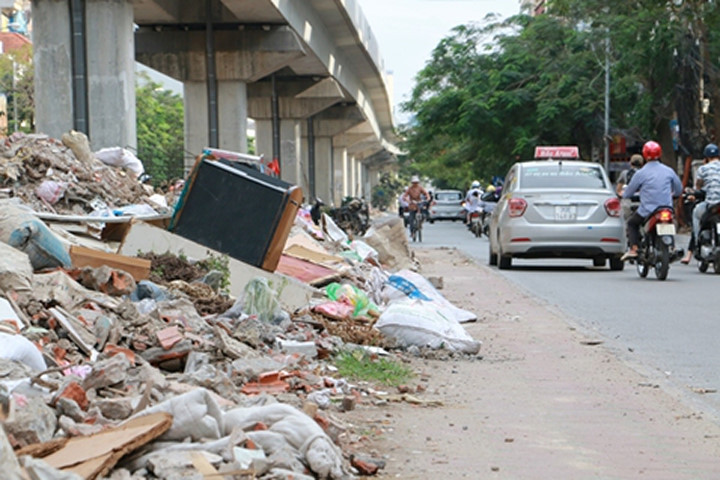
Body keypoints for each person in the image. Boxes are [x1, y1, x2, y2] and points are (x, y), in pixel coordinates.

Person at [621, 140, 683, 261]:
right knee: (670, 222)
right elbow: (679, 189)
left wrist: (625, 194)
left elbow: (628, 192)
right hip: (666, 208)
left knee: (632, 223)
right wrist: (673, 195)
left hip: (647, 210)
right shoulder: (668, 170)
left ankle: (633, 248)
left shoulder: (641, 173)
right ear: (659, 154)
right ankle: (673, 247)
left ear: (644, 155)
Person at [681, 143, 720, 263]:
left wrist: (693, 194)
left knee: (696, 215)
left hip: (712, 203)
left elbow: (698, 188)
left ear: (706, 157)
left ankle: (694, 245)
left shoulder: (703, 169)